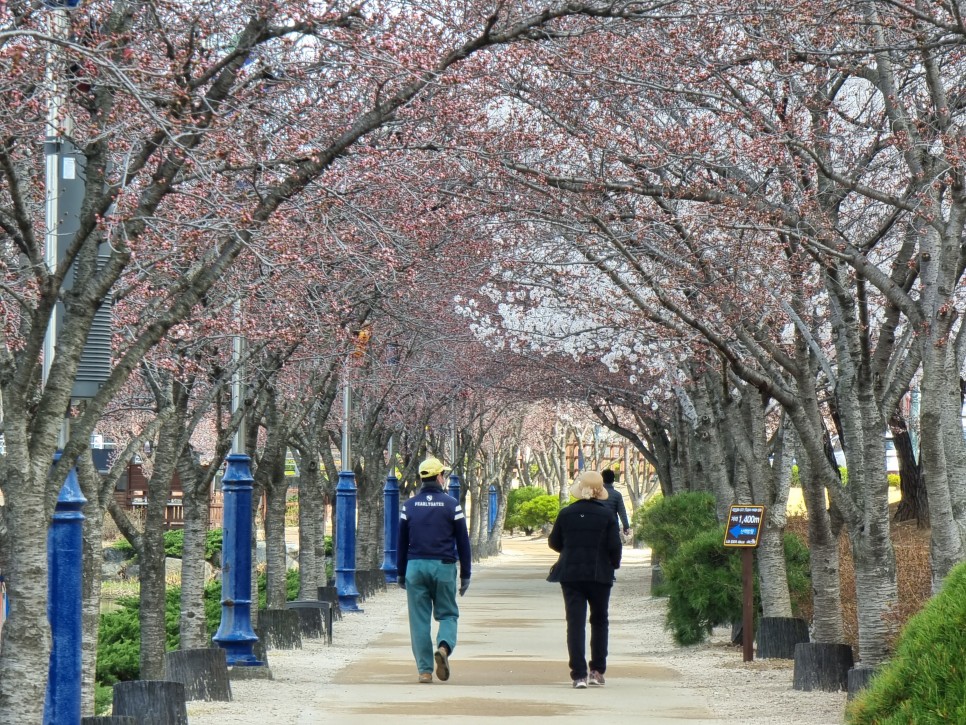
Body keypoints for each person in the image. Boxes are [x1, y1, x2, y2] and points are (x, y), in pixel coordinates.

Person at [397, 456, 472, 684]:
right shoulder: (452, 505)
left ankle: (425, 671)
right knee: (448, 614)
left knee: (419, 620)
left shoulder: (408, 506)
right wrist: (465, 574)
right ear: (440, 477)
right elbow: (463, 541)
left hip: (415, 567)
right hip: (444, 566)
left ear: (422, 479)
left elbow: (401, 542)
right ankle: (443, 647)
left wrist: (401, 572)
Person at [547, 470, 623, 689]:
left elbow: (554, 542)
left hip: (571, 574)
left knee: (575, 623)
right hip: (600, 575)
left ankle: (578, 674)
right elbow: (614, 547)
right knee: (599, 621)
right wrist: (613, 564)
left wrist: (569, 549)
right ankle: (596, 670)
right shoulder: (607, 515)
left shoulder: (566, 513)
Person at [601, 468, 631, 538]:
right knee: (613, 547)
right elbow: (622, 512)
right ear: (613, 480)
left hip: (599, 527)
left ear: (602, 480)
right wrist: (626, 526)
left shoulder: (597, 494)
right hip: (613, 527)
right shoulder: (617, 495)